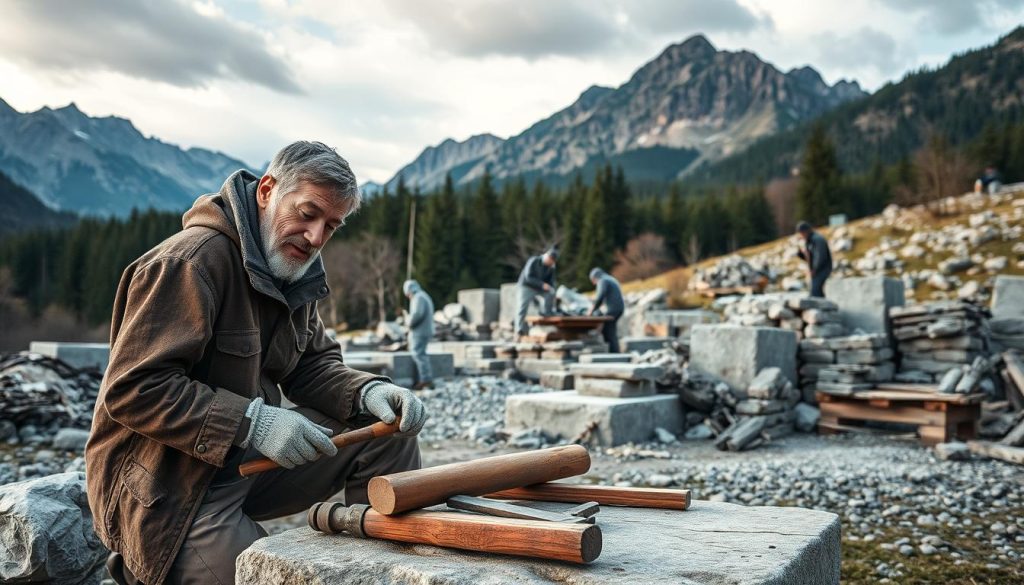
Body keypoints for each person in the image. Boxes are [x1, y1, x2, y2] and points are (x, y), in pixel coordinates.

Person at [87, 141, 428, 585]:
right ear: (267, 190)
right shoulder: (189, 263)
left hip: (241, 465)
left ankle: (375, 569)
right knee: (267, 577)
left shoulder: (291, 268)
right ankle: (146, 565)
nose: (316, 238)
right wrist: (254, 423)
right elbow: (134, 390)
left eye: (332, 226)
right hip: (165, 488)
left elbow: (310, 366)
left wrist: (367, 390)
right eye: (307, 214)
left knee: (386, 432)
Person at [515, 247, 558, 338]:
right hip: (526, 286)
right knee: (522, 307)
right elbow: (528, 277)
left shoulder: (551, 267)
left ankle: (547, 314)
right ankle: (519, 330)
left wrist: (553, 289)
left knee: (550, 293)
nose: (550, 262)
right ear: (547, 257)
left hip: (540, 287)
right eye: (550, 260)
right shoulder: (534, 261)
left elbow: (551, 281)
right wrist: (542, 285)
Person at [403, 279, 435, 389]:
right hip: (424, 330)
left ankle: (425, 380)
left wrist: (408, 322)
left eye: (407, 294)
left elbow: (417, 314)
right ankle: (424, 379)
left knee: (419, 354)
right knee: (421, 354)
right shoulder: (423, 295)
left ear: (409, 290)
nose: (408, 296)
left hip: (420, 332)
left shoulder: (418, 297)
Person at [588, 267, 624, 353]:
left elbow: (600, 297)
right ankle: (615, 352)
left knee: (608, 331)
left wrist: (591, 310)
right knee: (610, 330)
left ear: (594, 278)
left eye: (593, 281)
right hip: (618, 308)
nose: (594, 284)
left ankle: (614, 354)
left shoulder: (602, 280)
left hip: (613, 310)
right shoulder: (610, 279)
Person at [795, 221, 833, 298]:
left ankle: (821, 307)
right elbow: (810, 258)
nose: (801, 235)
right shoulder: (809, 241)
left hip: (823, 268)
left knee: (815, 291)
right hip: (815, 270)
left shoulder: (817, 239)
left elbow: (820, 256)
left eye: (802, 233)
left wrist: (815, 269)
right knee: (815, 290)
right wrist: (801, 255)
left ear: (806, 231)